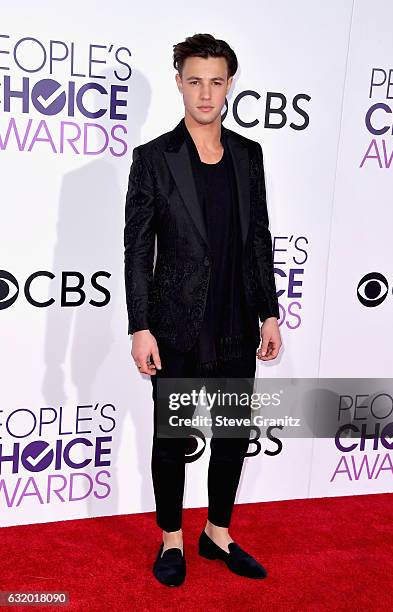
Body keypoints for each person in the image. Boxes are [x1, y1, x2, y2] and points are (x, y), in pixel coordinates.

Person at [124, 33, 282, 587]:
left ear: (229, 84)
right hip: (177, 326)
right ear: (179, 83)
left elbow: (258, 237)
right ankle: (172, 539)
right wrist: (140, 325)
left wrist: (269, 311)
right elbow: (138, 249)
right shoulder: (153, 160)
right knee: (173, 440)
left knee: (233, 434)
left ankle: (217, 532)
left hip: (238, 323)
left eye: (217, 81)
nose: (206, 93)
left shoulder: (248, 154)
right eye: (195, 81)